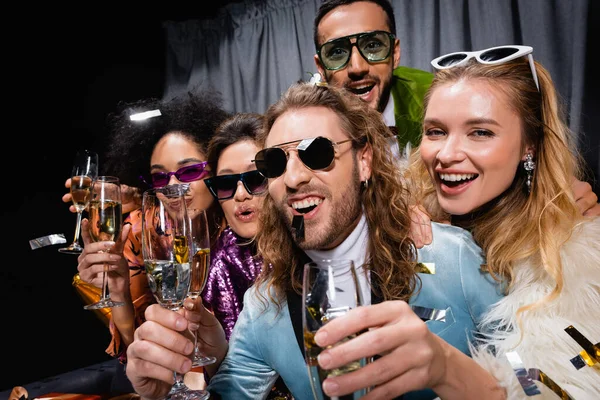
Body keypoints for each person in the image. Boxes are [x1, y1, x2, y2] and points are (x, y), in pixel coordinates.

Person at [124, 82, 508, 400]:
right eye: (275, 163)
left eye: (317, 153)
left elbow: (540, 373)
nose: (293, 179)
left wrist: (448, 369)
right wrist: (162, 394)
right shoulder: (264, 306)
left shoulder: (449, 256)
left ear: (364, 161)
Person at [411, 45, 600, 398]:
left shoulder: (570, 261)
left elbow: (562, 379)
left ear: (529, 145)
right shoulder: (411, 220)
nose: (447, 154)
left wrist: (453, 372)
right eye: (436, 131)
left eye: (480, 132)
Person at [312, 0, 599, 224]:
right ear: (320, 67)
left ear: (395, 53)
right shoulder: (303, 128)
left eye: (373, 45)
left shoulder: (442, 92)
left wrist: (554, 192)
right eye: (336, 52)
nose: (357, 67)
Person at [71, 87, 230, 362]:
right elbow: (141, 351)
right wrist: (118, 290)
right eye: (159, 178)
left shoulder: (240, 220)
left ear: (216, 169)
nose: (172, 187)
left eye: (189, 171)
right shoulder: (140, 233)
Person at [202, 112, 292, 399]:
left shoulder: (315, 246)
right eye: (226, 184)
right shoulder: (220, 264)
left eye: (255, 179)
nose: (240, 194)